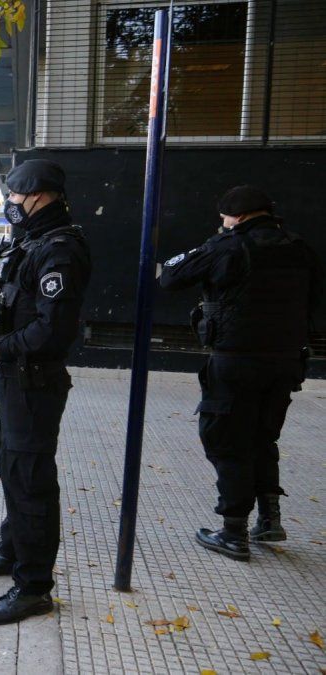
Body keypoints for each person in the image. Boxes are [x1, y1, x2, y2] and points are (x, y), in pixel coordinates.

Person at [0, 159, 91, 625]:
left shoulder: (60, 250)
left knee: (30, 481)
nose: (10, 203)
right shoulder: (29, 240)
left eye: (14, 196)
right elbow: (20, 306)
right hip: (14, 378)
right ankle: (12, 552)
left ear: (37, 196)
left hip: (34, 382)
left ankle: (34, 587)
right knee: (12, 470)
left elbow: (53, 330)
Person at [160, 185, 321, 561]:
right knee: (263, 436)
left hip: (237, 360)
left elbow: (170, 276)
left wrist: (215, 243)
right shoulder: (299, 248)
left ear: (238, 216)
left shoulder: (228, 246)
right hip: (285, 361)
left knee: (227, 440)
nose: (223, 222)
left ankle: (233, 533)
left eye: (225, 217)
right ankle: (269, 519)